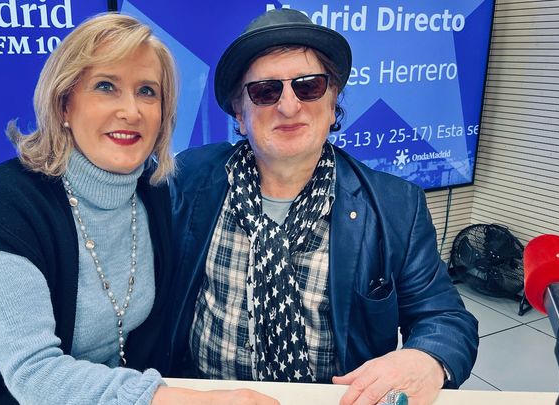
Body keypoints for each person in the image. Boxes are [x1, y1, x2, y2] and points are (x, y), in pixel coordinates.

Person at [0, 13, 278, 405]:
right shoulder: (7, 199)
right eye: (106, 86)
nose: (131, 111)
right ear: (64, 104)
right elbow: (33, 373)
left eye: (147, 91)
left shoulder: (153, 192)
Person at [154, 8, 479, 405]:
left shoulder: (395, 206)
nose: (289, 106)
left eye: (308, 86)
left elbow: (446, 318)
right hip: (207, 396)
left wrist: (426, 358)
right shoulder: (190, 179)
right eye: (265, 91)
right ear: (240, 113)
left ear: (332, 99)